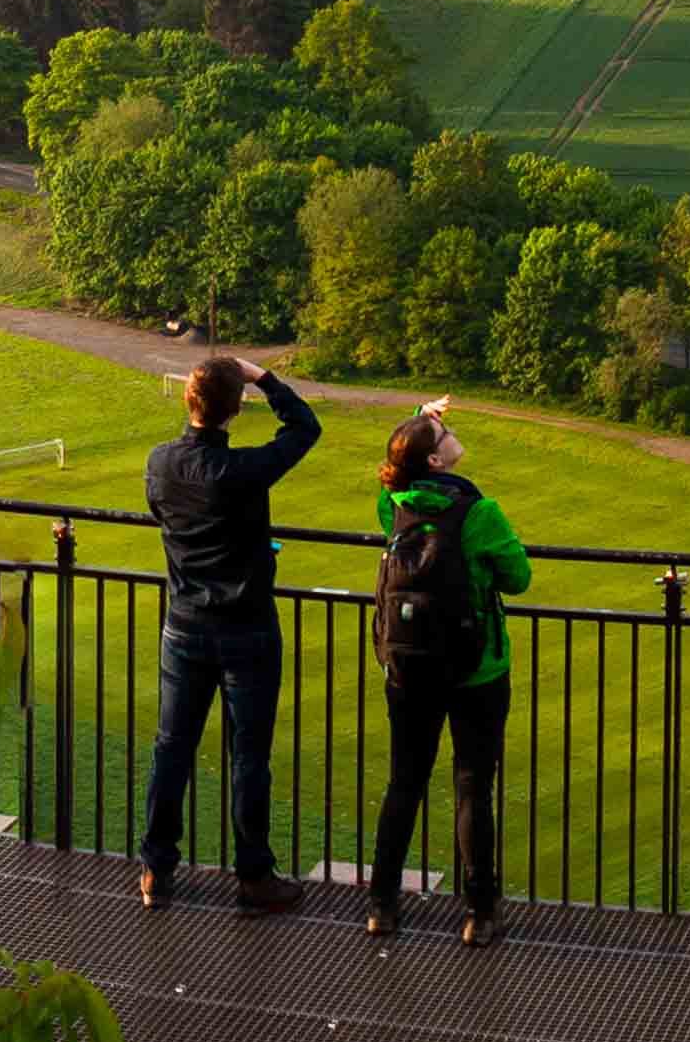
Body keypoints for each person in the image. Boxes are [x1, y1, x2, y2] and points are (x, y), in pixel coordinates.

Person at [140, 349, 330, 915]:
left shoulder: (160, 462)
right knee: (249, 756)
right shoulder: (243, 472)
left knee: (172, 748)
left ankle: (156, 867)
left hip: (184, 626)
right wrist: (265, 376)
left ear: (189, 402)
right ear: (234, 409)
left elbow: (163, 514)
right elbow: (305, 426)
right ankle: (253, 875)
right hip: (246, 630)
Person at [362, 412, 532, 945]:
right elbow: (519, 578)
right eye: (442, 435)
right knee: (472, 790)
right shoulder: (479, 513)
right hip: (477, 671)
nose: (452, 436)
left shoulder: (395, 507)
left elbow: (395, 470)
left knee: (404, 783)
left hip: (408, 669)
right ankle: (480, 913)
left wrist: (418, 419)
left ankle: (382, 904)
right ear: (436, 459)